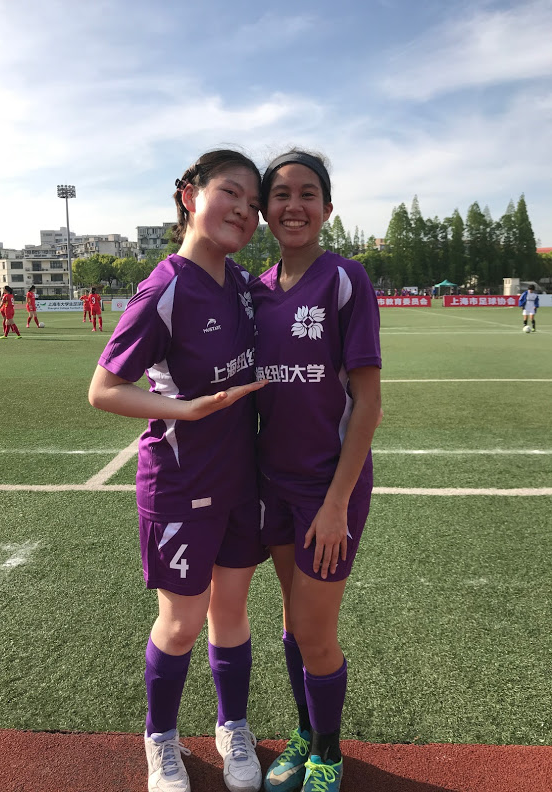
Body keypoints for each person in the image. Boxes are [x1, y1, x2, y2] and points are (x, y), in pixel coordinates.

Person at [88, 149, 268, 792]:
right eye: (231, 193)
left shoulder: (247, 288)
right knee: (183, 620)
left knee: (232, 614)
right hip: (180, 481)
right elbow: (104, 389)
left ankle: (232, 726)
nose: (245, 211)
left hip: (242, 480)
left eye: (253, 203)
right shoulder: (164, 288)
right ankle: (160, 739)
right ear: (190, 195)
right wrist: (183, 408)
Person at [251, 150, 382, 792]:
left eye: (308, 194)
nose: (293, 205)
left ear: (327, 209)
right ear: (264, 210)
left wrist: (336, 503)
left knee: (314, 628)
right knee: (290, 622)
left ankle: (327, 751)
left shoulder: (345, 279)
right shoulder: (254, 293)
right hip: (271, 486)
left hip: (329, 488)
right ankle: (304, 734)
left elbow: (367, 400)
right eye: (280, 194)